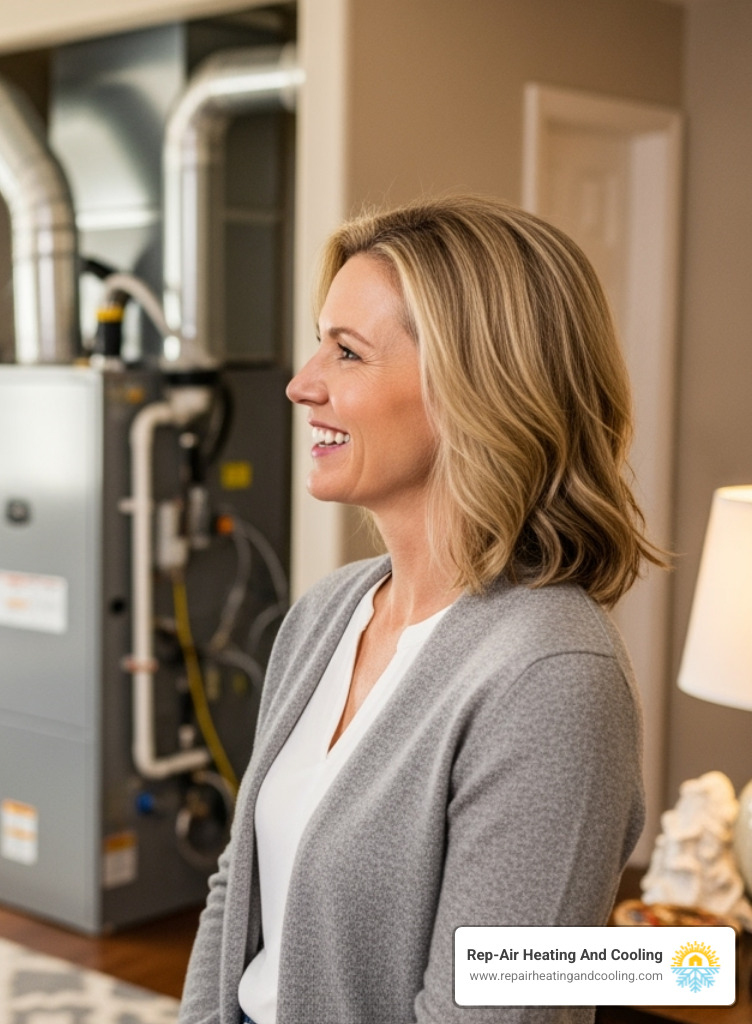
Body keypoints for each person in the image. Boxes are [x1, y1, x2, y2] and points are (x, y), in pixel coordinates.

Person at [177, 195, 661, 1024]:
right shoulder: (328, 612)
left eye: (348, 352)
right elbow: (237, 888)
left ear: (473, 390)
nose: (301, 384)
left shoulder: (552, 679)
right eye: (317, 343)